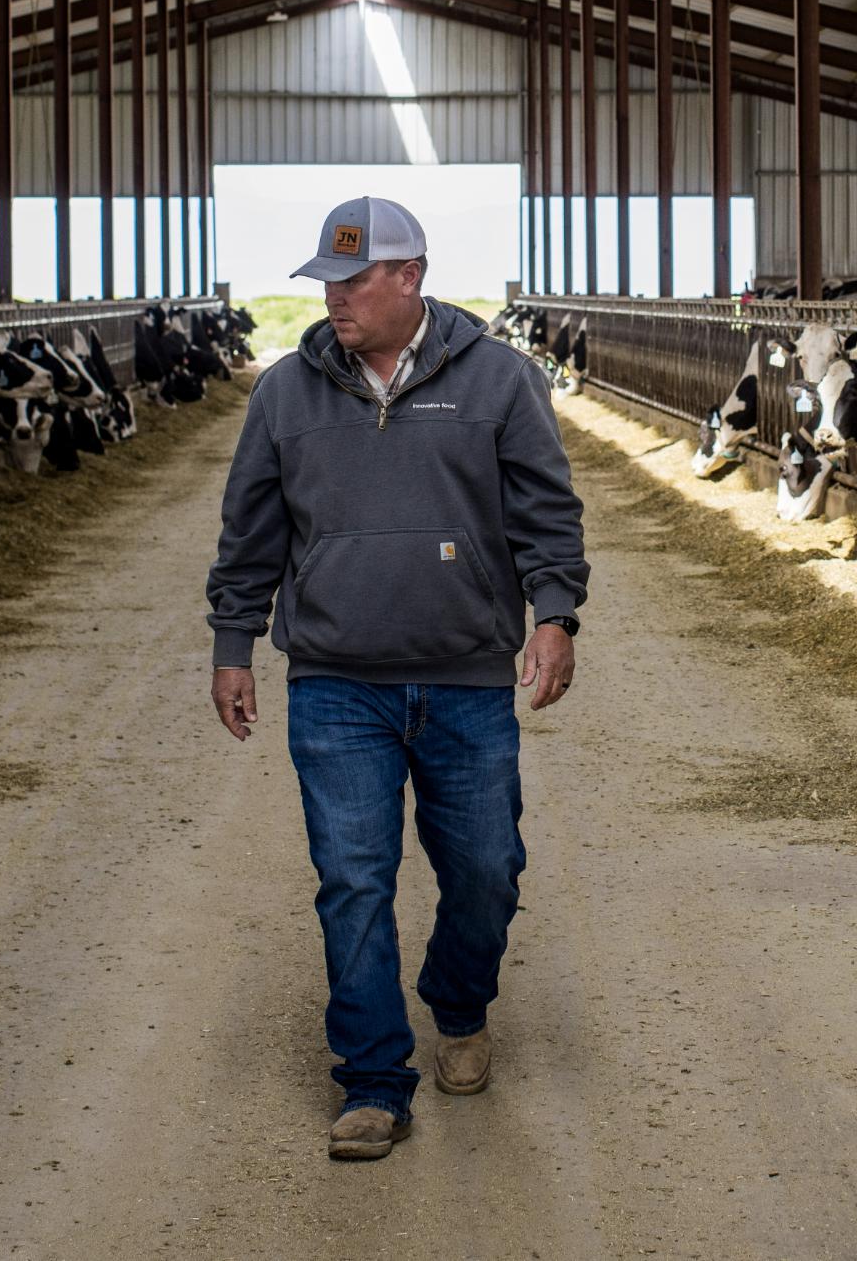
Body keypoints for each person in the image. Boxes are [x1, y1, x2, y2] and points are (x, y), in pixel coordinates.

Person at [204, 196, 589, 1161]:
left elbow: (547, 512)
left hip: (466, 681)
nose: (333, 298)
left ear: (409, 276)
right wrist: (232, 644)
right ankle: (373, 1080)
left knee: (487, 871)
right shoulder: (284, 393)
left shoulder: (500, 379)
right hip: (335, 681)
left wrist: (554, 616)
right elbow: (250, 533)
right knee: (352, 879)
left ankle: (459, 1003)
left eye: (352, 279)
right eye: (325, 281)